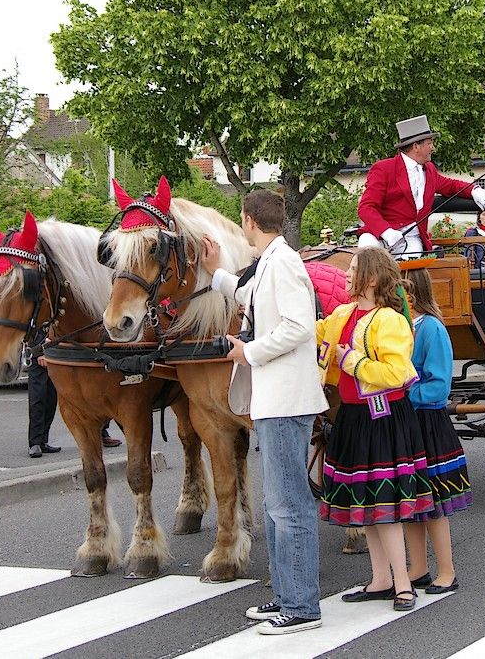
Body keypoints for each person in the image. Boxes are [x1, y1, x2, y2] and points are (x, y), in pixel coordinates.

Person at [201, 189, 328, 636]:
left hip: (286, 401)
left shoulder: (286, 263)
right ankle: (287, 595)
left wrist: (247, 352)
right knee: (278, 506)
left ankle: (300, 605)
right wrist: (216, 269)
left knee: (289, 505)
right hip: (274, 401)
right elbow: (246, 291)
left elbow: (299, 325)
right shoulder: (274, 261)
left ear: (249, 221)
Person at [316, 248, 434, 611]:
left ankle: (403, 584)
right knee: (365, 502)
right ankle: (381, 579)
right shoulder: (343, 314)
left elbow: (396, 374)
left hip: (383, 419)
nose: (345, 275)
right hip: (354, 417)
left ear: (370, 278)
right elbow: (313, 333)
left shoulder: (391, 320)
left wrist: (348, 360)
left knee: (386, 505)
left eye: (352, 270)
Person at [403, 268, 472, 595]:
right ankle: (417, 567)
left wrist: (403, 394)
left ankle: (447, 570)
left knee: (434, 503)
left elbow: (439, 387)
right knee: (410, 500)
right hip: (407, 422)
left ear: (411, 294)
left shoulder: (432, 329)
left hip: (428, 423)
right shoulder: (404, 326)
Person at [357, 114, 485, 256]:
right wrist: (386, 232)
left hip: (411, 238)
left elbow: (450, 185)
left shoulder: (429, 169)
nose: (433, 148)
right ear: (416, 146)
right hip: (378, 236)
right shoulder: (384, 168)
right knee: (367, 260)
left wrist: (474, 190)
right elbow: (366, 207)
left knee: (414, 272)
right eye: (429, 143)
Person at [28, 357, 61, 458]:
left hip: (54, 355)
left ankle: (43, 441)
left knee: (51, 400)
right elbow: (30, 340)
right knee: (38, 399)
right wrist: (40, 352)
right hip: (38, 357)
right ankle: (35, 443)